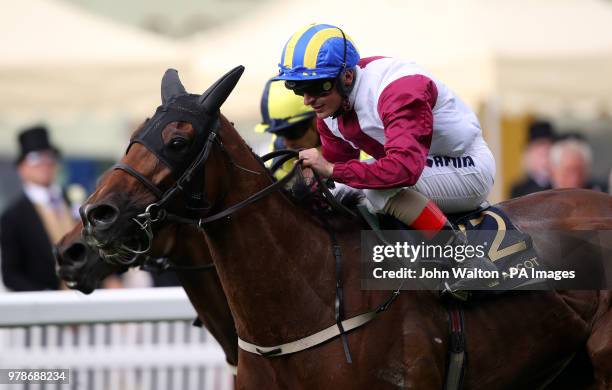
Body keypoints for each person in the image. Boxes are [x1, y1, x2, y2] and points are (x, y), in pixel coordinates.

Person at [274, 23, 497, 293]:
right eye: (298, 89)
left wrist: (330, 169)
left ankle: (468, 261)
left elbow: (404, 170)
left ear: (346, 77)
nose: (308, 100)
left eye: (316, 87)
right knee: (338, 191)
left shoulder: (398, 91)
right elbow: (341, 177)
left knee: (372, 190)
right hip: (424, 168)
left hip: (467, 166)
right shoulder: (329, 114)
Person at [1, 126, 74, 291]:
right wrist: (44, 297)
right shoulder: (13, 217)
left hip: (89, 297)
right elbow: (11, 275)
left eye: (50, 157)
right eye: (35, 158)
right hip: (46, 303)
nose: (45, 164)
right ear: (21, 168)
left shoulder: (73, 201)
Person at [255, 79, 320, 179]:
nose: (287, 143)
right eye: (279, 133)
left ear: (317, 119)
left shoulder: (347, 140)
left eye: (292, 132)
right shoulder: (279, 151)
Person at [510, 120, 556, 197]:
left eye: (548, 147)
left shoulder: (561, 183)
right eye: (538, 148)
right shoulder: (519, 189)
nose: (545, 151)